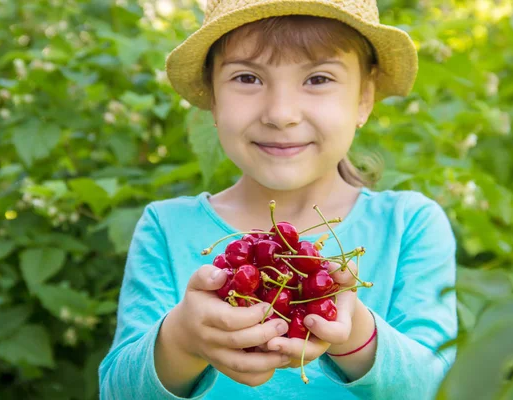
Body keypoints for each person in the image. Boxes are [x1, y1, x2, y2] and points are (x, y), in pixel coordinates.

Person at [98, 0, 457, 399]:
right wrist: (182, 341)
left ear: (364, 100)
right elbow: (118, 392)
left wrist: (354, 333)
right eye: (248, 78)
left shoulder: (411, 224)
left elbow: (438, 387)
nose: (281, 114)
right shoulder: (166, 228)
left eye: (318, 79)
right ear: (213, 100)